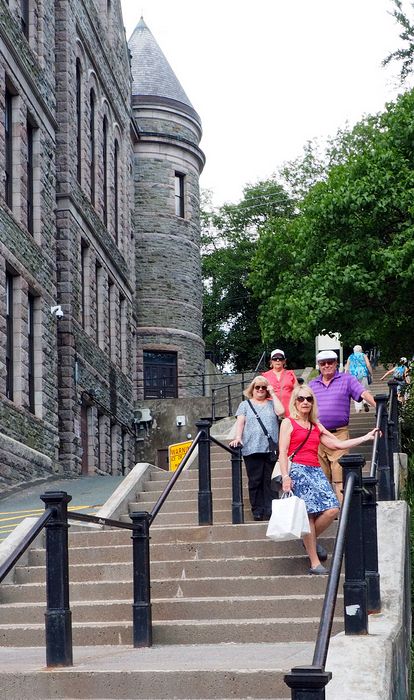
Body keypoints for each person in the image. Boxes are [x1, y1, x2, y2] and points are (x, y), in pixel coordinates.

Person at [279, 385, 379, 575]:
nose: (305, 402)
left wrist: (366, 437)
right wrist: (285, 476)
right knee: (308, 515)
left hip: (315, 470)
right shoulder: (288, 422)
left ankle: (309, 540)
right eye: (301, 399)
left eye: (309, 399)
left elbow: (337, 444)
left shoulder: (316, 425)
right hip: (298, 471)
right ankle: (315, 563)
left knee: (333, 508)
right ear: (295, 402)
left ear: (313, 402)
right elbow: (282, 452)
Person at [309, 350, 376, 503]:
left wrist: (378, 407)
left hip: (339, 434)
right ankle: (327, 513)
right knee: (321, 477)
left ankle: (345, 515)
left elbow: (363, 393)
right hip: (316, 435)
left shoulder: (346, 379)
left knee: (339, 477)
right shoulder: (312, 384)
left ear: (336, 363)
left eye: (330, 362)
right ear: (319, 365)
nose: (327, 365)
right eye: (323, 363)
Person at [230, 376, 284, 521]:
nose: (260, 390)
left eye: (263, 387)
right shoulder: (245, 404)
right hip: (251, 447)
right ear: (252, 389)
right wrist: (238, 437)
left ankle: (270, 510)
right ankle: (257, 510)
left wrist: (273, 393)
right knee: (255, 481)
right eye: (257, 387)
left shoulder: (272, 403)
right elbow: (240, 422)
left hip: (270, 448)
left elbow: (281, 412)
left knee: (270, 481)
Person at [263, 348, 298, 417]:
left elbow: (297, 392)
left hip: (289, 411)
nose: (278, 360)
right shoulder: (265, 375)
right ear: (271, 361)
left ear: (284, 361)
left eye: (280, 358)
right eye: (275, 358)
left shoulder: (290, 374)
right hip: (271, 411)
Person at [344, 345, 373, 413]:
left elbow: (347, 368)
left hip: (353, 376)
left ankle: (358, 408)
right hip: (363, 374)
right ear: (361, 349)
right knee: (365, 389)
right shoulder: (363, 355)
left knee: (355, 391)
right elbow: (368, 365)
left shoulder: (350, 356)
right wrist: (371, 373)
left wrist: (345, 376)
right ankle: (365, 401)